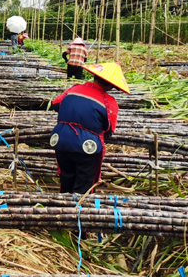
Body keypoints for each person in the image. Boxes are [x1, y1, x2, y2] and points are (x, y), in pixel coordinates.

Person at [49, 62, 130, 194]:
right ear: (111, 86)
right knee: (84, 184)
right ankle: (79, 206)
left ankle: (64, 203)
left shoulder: (73, 89)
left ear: (95, 76)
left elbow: (55, 105)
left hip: (61, 140)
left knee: (66, 178)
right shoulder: (108, 102)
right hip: (87, 147)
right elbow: (109, 129)